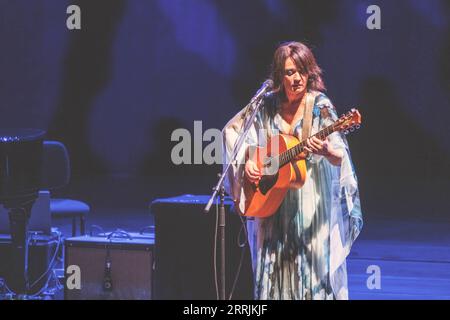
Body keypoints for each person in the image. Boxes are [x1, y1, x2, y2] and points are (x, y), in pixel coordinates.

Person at [222, 41, 363, 300]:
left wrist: (325, 152)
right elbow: (235, 133)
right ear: (279, 76)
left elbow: (338, 155)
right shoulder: (266, 103)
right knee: (273, 273)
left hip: (310, 206)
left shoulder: (319, 105)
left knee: (310, 273)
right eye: (289, 72)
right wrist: (249, 162)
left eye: (301, 71)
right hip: (271, 204)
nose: (296, 78)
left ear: (310, 72)